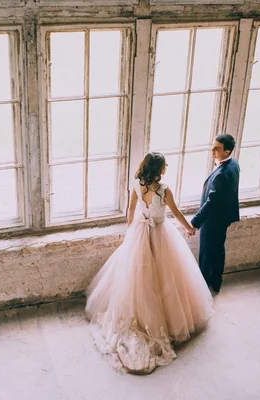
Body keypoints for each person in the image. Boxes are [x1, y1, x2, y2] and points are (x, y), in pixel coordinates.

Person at [85, 152, 213, 374]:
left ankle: (145, 313)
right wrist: (189, 228)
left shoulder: (137, 184)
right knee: (166, 277)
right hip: (160, 233)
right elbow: (176, 212)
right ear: (160, 169)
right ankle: (165, 320)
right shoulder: (164, 190)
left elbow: (131, 210)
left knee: (139, 277)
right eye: (164, 165)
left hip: (140, 231)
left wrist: (131, 231)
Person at [191, 133, 240, 293]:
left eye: (217, 148)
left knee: (206, 252)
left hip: (213, 220)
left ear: (227, 152)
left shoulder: (221, 174)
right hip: (224, 217)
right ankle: (216, 281)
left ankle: (203, 286)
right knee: (218, 250)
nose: (212, 151)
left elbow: (211, 202)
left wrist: (195, 222)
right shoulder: (234, 164)